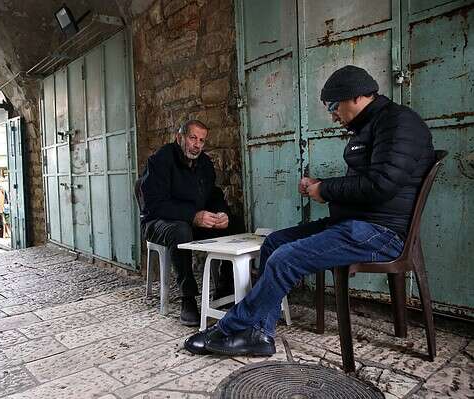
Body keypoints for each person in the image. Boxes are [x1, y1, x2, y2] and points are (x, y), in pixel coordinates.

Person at [184, 65, 436, 356]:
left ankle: (229, 328)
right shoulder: (372, 125)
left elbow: (381, 185)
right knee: (275, 243)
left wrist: (324, 190)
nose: (332, 115)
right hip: (357, 224)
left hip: (382, 233)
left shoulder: (399, 123)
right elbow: (365, 183)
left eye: (333, 106)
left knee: (285, 258)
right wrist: (322, 186)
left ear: (355, 97)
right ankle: (260, 334)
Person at [140, 119, 237, 326]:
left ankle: (225, 288)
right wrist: (193, 215)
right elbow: (154, 204)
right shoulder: (160, 160)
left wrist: (221, 212)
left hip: (193, 220)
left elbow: (213, 193)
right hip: (158, 221)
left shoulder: (204, 163)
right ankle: (188, 298)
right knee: (181, 230)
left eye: (202, 140)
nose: (197, 145)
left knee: (234, 223)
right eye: (193, 138)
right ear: (180, 137)